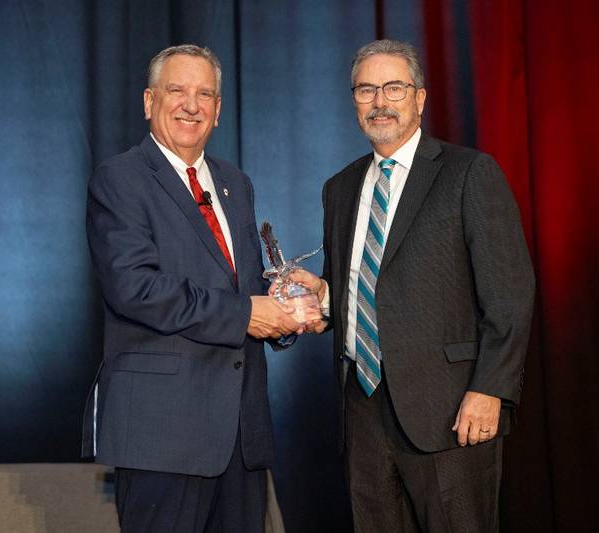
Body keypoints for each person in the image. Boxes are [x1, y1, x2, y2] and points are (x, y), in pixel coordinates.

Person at [293, 39, 536, 532]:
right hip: (361, 410)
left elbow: (510, 295)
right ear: (354, 101)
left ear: (420, 99)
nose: (379, 101)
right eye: (366, 89)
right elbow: (368, 289)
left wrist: (490, 388)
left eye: (394, 87)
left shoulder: (469, 173)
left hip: (451, 412)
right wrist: (322, 298)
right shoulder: (339, 188)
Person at [81, 44, 300, 533]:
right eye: (176, 90)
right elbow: (135, 288)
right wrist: (246, 314)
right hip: (163, 434)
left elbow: (245, 284)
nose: (191, 104)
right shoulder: (120, 180)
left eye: (205, 94)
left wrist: (289, 313)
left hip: (240, 436)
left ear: (219, 111)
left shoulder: (234, 184)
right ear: (148, 101)